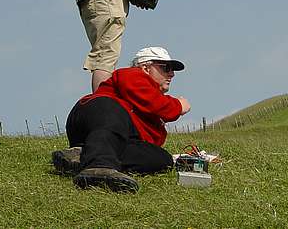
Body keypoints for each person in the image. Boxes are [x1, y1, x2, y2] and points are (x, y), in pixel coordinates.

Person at [52, 46, 191, 192]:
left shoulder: (150, 109)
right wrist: (179, 106)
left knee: (161, 159)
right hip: (97, 113)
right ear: (145, 67)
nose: (172, 74)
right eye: (166, 68)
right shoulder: (133, 75)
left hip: (111, 133)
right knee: (114, 111)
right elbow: (157, 104)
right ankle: (100, 166)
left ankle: (83, 156)